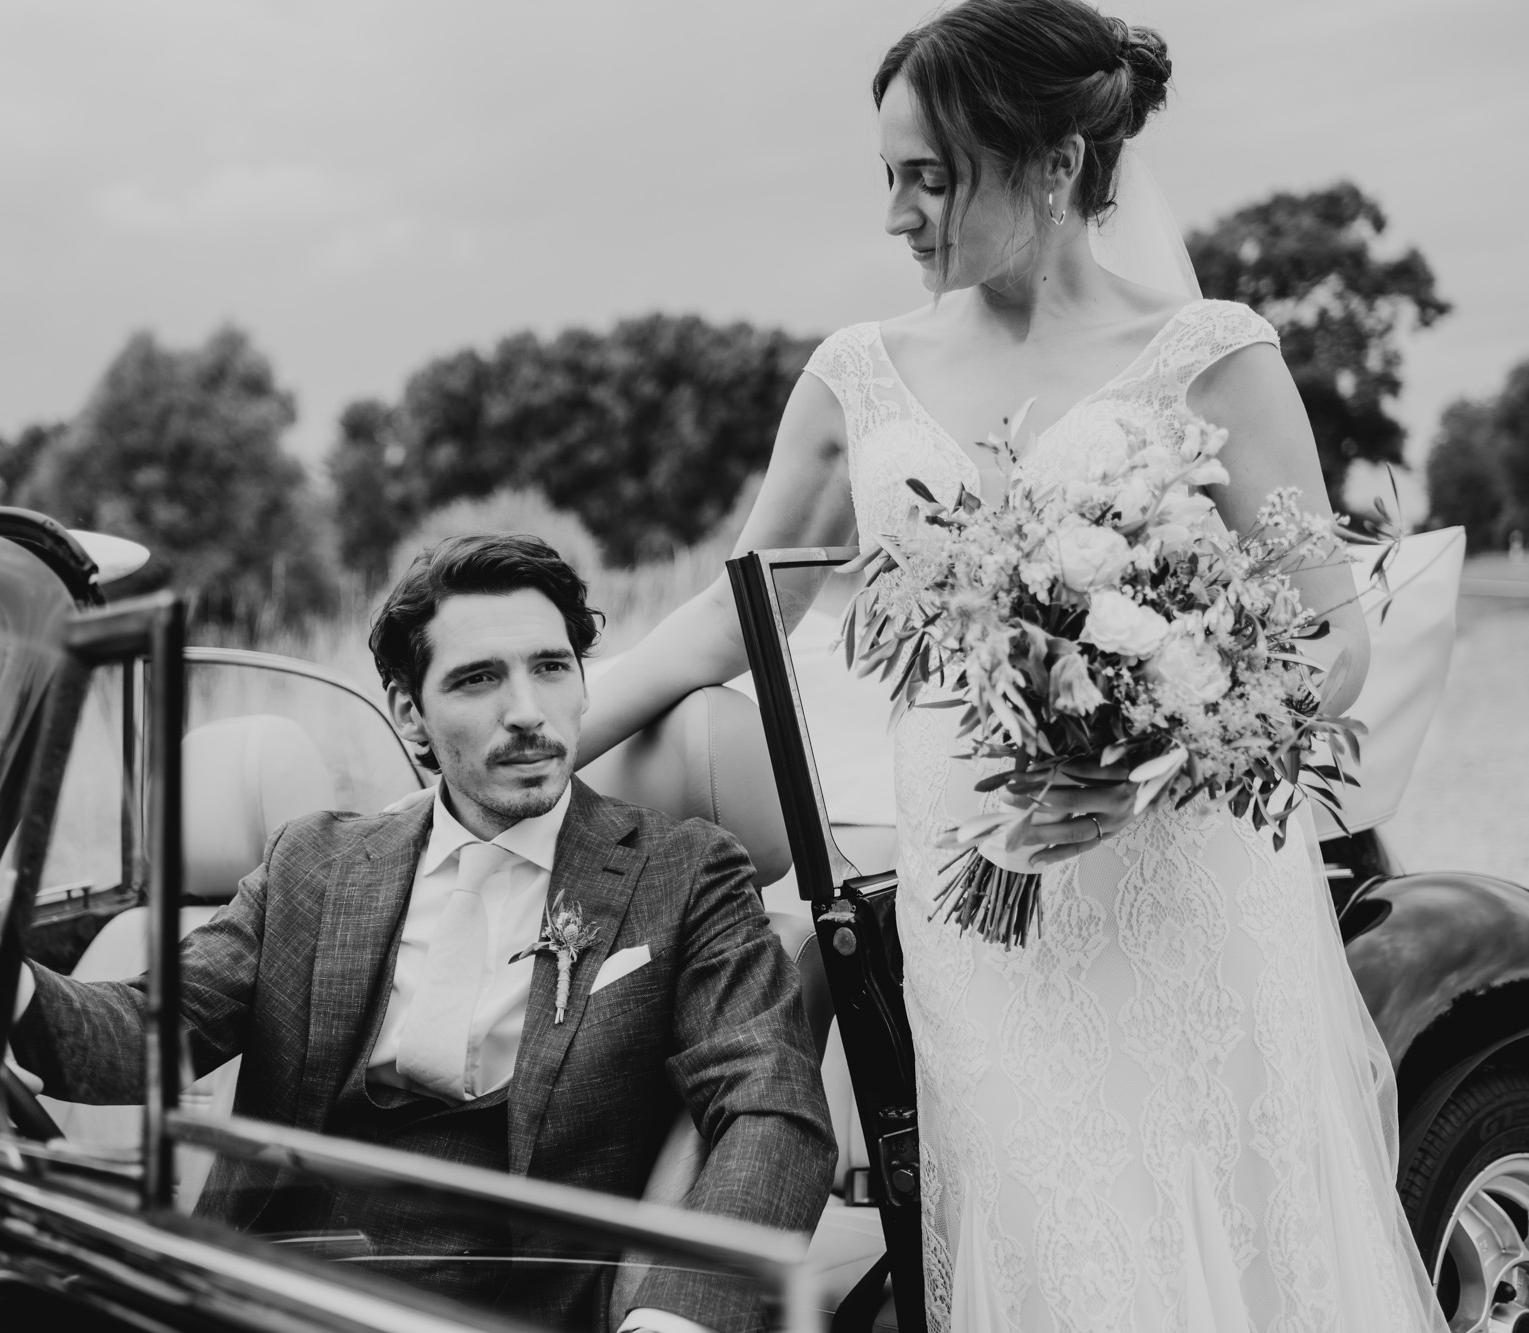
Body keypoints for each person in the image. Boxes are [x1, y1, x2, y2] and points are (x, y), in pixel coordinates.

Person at [578, 1, 1448, 1328]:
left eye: (929, 178)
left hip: (1186, 894)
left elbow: (1330, 631)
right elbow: (731, 611)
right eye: (886, 176)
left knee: (1223, 1229)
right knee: (1049, 1237)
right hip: (979, 905)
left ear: (1051, 165)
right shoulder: (855, 377)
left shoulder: (1214, 359)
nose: (896, 215)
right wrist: (550, 731)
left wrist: (1154, 760)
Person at [0, 533, 835, 1333]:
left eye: (551, 668)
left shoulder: (684, 872)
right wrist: (0, 986)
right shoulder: (313, 862)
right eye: (477, 679)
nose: (527, 712)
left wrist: (677, 1317)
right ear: (410, 713)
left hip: (506, 1308)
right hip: (252, 1288)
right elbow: (150, 1032)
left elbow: (771, 1107)